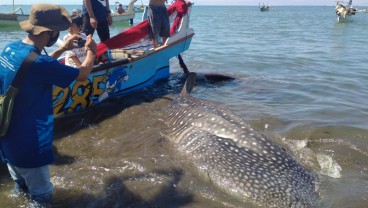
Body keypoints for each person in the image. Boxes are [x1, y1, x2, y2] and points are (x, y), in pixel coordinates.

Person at [0, 4, 96, 205]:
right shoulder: (41, 63)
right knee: (42, 196)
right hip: (30, 144)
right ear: (50, 32)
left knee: (21, 186)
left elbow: (32, 68)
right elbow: (83, 74)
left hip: (7, 137)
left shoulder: (11, 48)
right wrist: (91, 52)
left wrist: (62, 49)